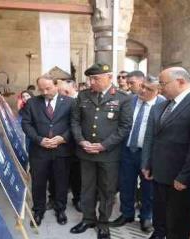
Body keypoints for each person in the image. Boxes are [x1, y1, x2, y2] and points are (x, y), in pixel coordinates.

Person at [141, 67, 190, 239]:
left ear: (181, 81)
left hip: (181, 179)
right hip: (159, 175)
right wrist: (148, 164)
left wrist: (185, 176)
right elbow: (153, 138)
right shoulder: (162, 105)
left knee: (178, 225)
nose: (160, 88)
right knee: (160, 218)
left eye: (163, 83)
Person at [70, 62, 133, 239]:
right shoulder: (83, 96)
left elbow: (125, 127)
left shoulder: (123, 98)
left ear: (109, 77)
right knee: (87, 187)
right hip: (86, 152)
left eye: (96, 79)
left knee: (107, 190)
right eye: (90, 79)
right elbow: (75, 121)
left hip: (109, 154)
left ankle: (103, 223)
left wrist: (104, 145)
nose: (92, 82)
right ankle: (88, 218)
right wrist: (81, 141)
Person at [110, 76, 165, 232]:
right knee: (126, 184)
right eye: (142, 86)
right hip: (127, 150)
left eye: (149, 89)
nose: (143, 90)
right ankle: (126, 213)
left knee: (148, 188)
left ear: (158, 91)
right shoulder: (130, 100)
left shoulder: (162, 104)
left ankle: (146, 217)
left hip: (148, 154)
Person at [21, 75, 75, 227]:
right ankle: (38, 210)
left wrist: (62, 138)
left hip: (62, 150)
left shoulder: (70, 103)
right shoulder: (32, 103)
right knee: (38, 182)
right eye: (41, 89)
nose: (44, 92)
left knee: (61, 181)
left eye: (48, 88)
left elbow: (74, 125)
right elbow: (26, 124)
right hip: (39, 151)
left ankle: (60, 209)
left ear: (56, 85)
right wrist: (39, 139)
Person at [57, 79, 82, 212]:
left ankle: (78, 199)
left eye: (60, 92)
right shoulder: (61, 101)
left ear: (66, 91)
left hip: (78, 145)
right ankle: (57, 199)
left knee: (77, 175)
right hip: (63, 145)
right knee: (61, 174)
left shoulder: (83, 99)